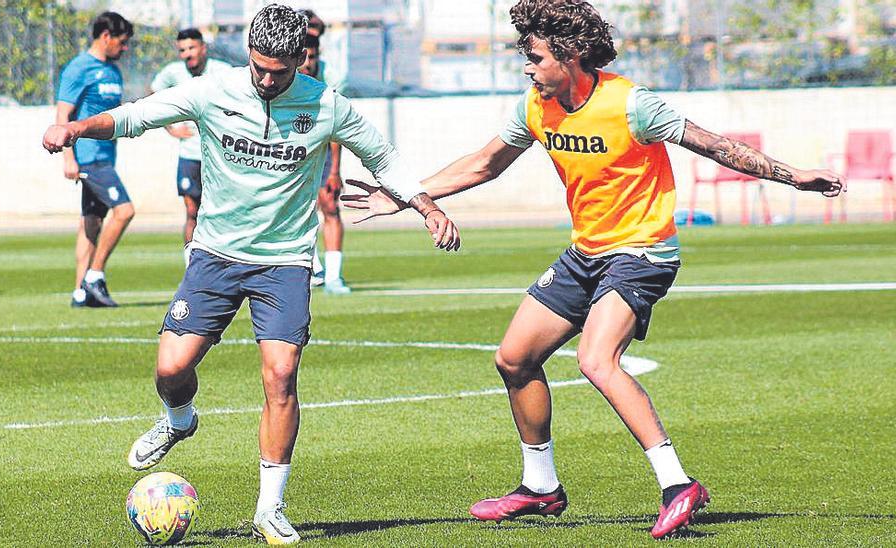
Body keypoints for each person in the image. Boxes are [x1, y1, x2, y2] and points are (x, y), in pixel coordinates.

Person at [342, 0, 844, 539]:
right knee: (514, 359)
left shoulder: (631, 104)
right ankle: (541, 488)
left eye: (535, 59)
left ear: (570, 54)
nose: (528, 69)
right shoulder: (535, 107)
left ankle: (678, 485)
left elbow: (717, 147)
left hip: (643, 252)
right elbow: (484, 164)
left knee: (596, 359)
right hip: (586, 253)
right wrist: (407, 197)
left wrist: (795, 178)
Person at [43, 4, 460, 543]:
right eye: (258, 68)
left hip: (284, 261)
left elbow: (384, 157)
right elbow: (135, 116)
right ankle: (178, 420)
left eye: (278, 72)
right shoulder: (213, 91)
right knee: (170, 369)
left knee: (281, 376)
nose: (266, 80)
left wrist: (427, 207)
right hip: (215, 253)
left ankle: (270, 507)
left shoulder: (325, 104)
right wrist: (76, 127)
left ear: (300, 61)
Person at [55, 12, 135, 308]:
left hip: (106, 157)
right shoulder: (78, 69)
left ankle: (79, 292)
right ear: (105, 37)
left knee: (91, 222)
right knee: (124, 211)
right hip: (88, 159)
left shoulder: (113, 71)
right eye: (122, 42)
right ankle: (94, 275)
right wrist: (68, 158)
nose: (124, 49)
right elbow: (63, 115)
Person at [150, 28, 230, 257]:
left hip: (218, 157)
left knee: (221, 213)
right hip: (189, 154)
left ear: (203, 48)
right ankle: (190, 266)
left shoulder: (222, 71)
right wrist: (170, 127)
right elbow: (153, 94)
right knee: (192, 211)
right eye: (182, 50)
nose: (187, 54)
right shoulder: (173, 73)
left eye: (191, 48)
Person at [298, 32, 350, 295]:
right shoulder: (287, 76)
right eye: (304, 57)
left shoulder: (331, 78)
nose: (308, 63)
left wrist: (334, 171)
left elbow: (335, 128)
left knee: (330, 206)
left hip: (324, 147)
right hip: (294, 150)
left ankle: (333, 277)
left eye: (313, 57)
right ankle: (307, 269)